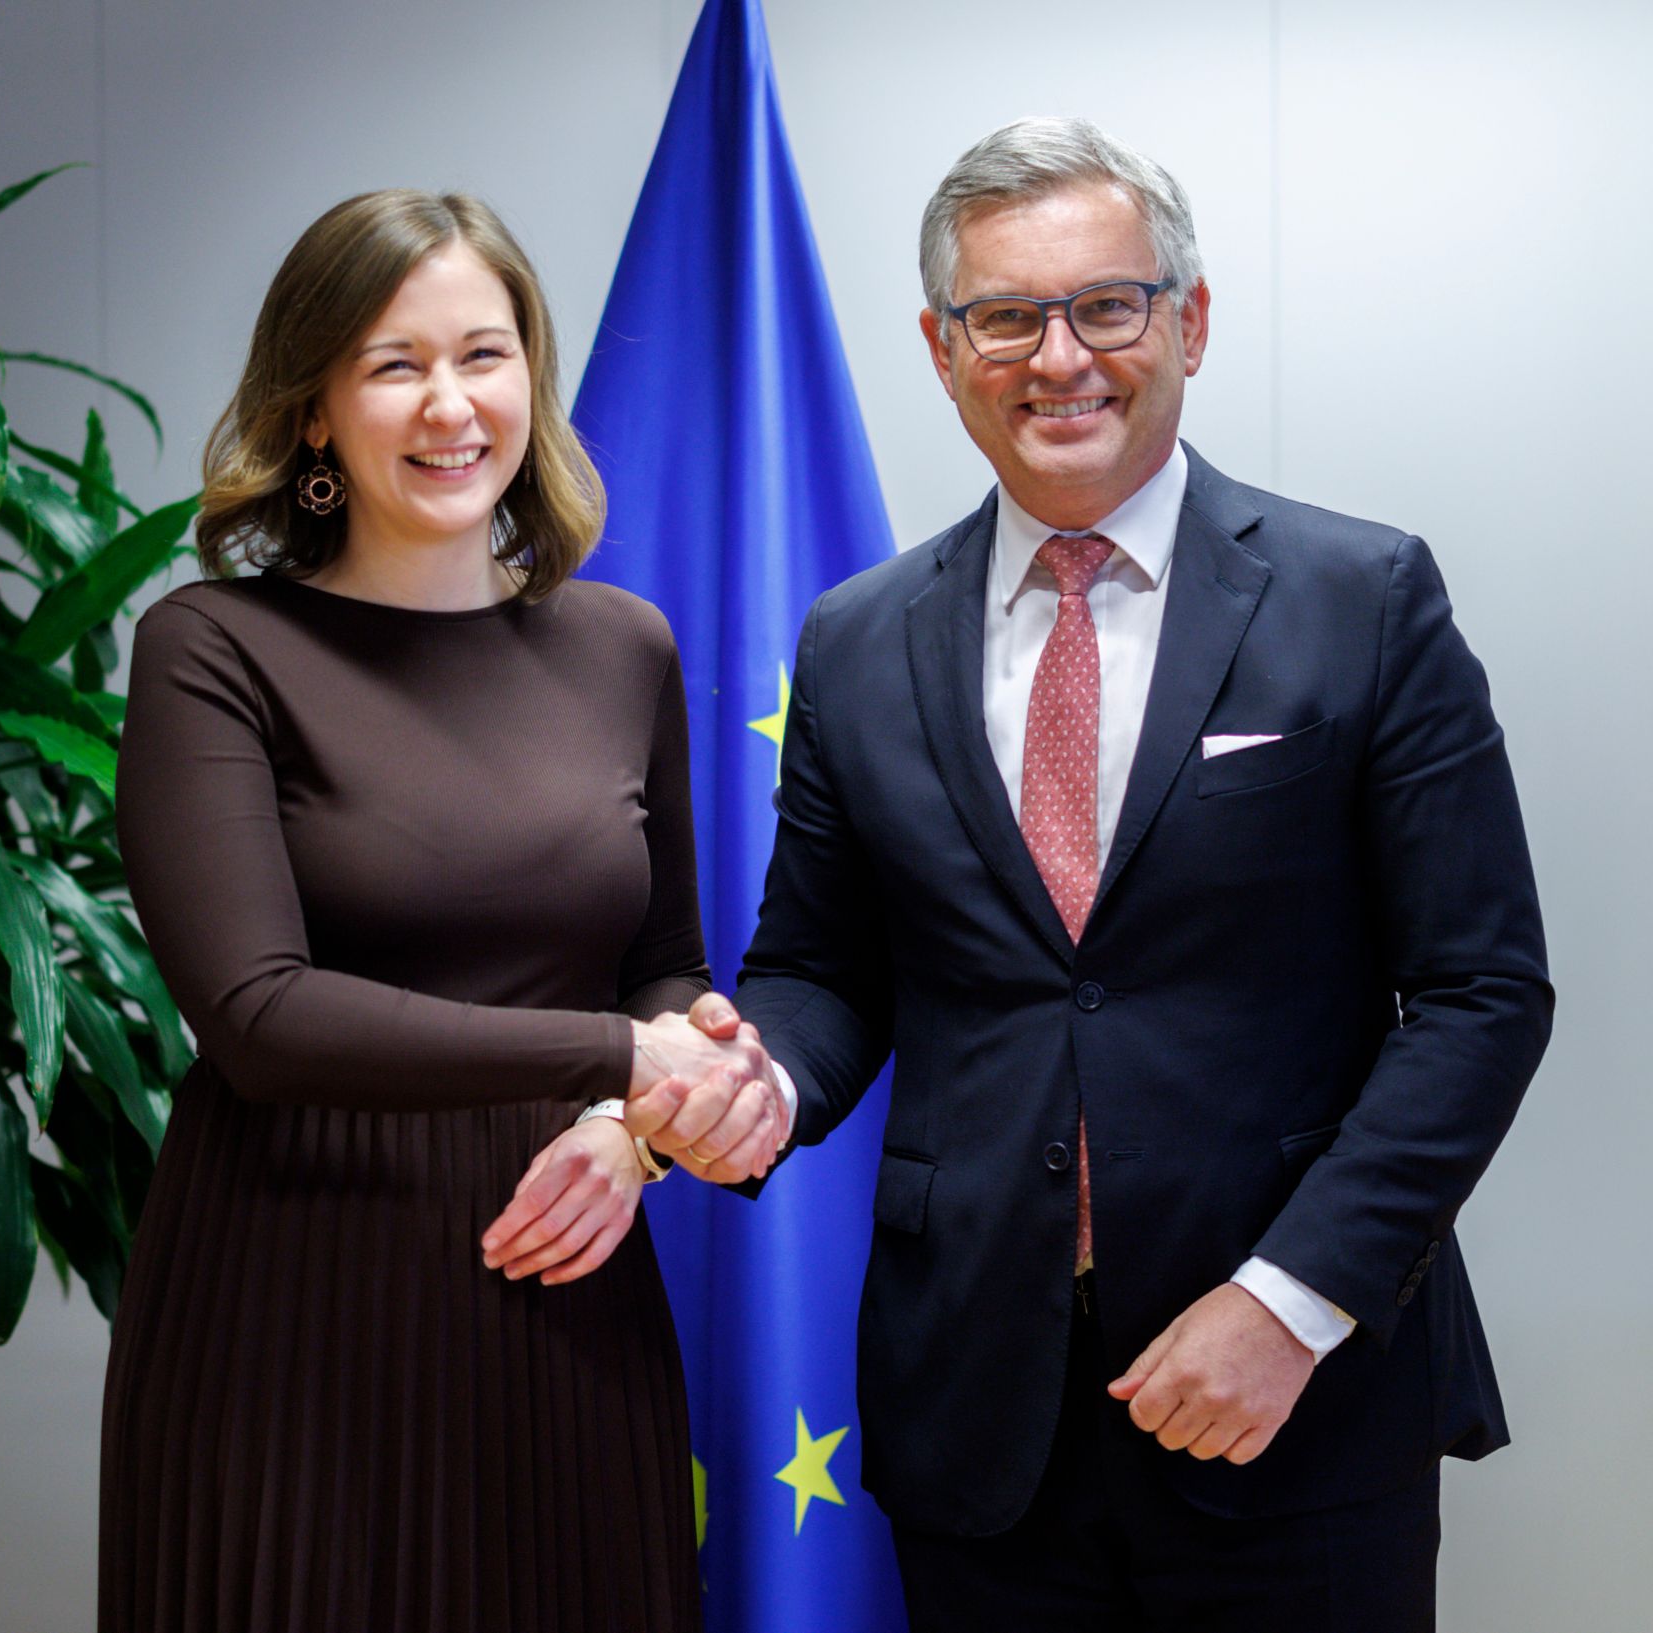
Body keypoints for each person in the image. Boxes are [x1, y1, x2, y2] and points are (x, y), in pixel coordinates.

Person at [633, 119, 1553, 1629]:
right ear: (943, 351)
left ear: (1188, 320)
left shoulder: (1363, 597)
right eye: (1006, 316)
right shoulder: (856, 638)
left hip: (1289, 1395)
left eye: (1106, 305)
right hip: (977, 1413)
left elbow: (1480, 993)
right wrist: (767, 1087)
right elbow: (822, 966)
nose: (1059, 355)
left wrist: (1290, 1298)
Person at [102, 189, 781, 1633]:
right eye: (393, 362)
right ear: (311, 414)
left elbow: (664, 967)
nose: (450, 403)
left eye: (485, 352)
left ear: (532, 373)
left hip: (570, 1291)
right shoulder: (212, 647)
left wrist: (641, 1125)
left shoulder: (622, 644)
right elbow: (259, 1017)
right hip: (292, 1311)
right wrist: (611, 1059)